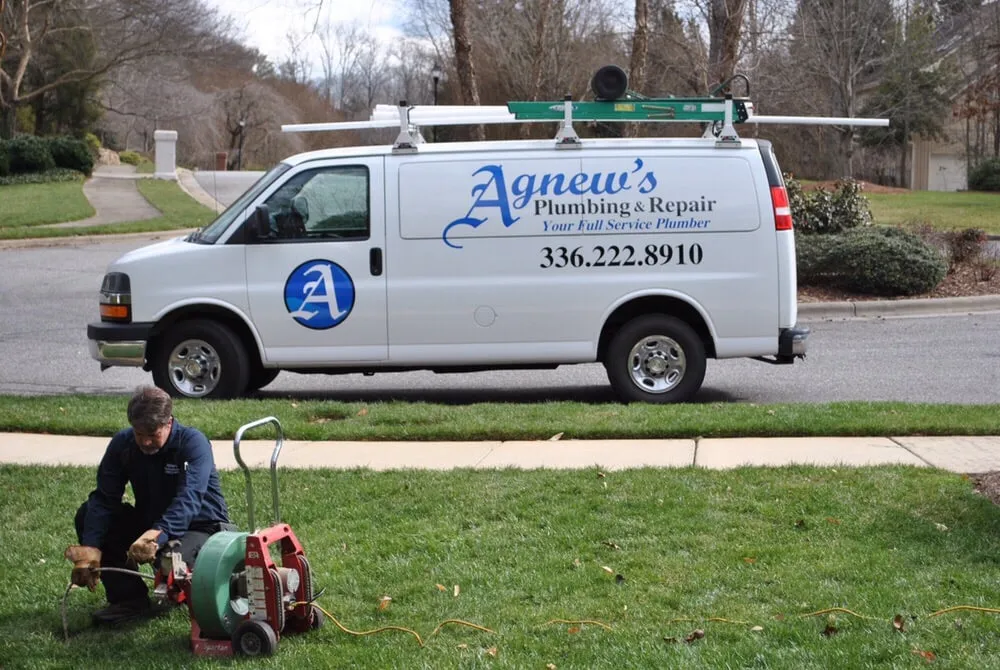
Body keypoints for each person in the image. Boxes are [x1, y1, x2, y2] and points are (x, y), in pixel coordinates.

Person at [65, 385, 235, 625]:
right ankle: (128, 600)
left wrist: (157, 535)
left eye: (152, 433)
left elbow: (190, 499)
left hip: (202, 527)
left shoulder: (193, 443)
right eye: (138, 432)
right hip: (151, 523)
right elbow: (104, 499)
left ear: (169, 423)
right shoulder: (122, 444)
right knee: (87, 515)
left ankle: (192, 587)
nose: (144, 440)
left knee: (170, 559)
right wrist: (91, 547)